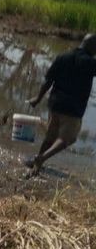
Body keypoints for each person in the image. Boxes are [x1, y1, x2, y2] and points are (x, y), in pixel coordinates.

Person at [26, 33, 96, 174]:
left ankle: (36, 165)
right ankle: (42, 158)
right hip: (73, 109)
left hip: (55, 104)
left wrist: (37, 98)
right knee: (65, 140)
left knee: (50, 137)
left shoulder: (63, 57)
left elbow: (48, 81)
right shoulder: (91, 63)